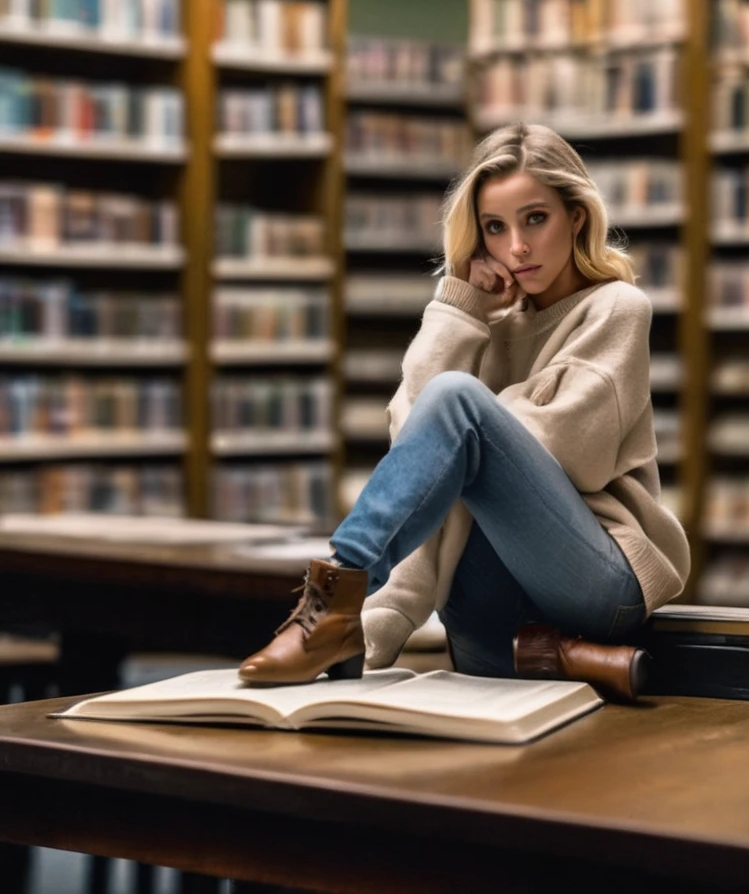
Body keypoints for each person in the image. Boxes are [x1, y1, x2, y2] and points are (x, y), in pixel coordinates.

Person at [239, 122, 690, 699]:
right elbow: (413, 443)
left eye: (536, 218)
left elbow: (577, 454)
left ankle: (333, 600)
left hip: (596, 586)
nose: (517, 248)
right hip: (487, 620)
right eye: (494, 228)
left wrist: (476, 422)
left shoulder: (616, 309)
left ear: (575, 216)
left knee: (455, 403)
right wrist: (460, 307)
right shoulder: (483, 323)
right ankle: (345, 618)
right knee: (449, 413)